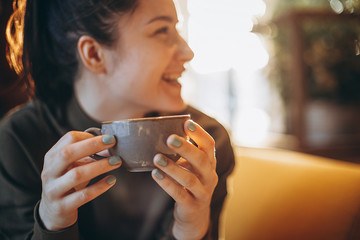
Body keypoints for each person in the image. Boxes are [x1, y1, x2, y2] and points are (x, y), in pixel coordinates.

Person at [0, 0, 235, 239]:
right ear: (94, 54)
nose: (188, 52)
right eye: (161, 30)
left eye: (176, 28)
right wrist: (51, 226)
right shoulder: (20, 140)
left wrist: (190, 230)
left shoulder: (204, 142)